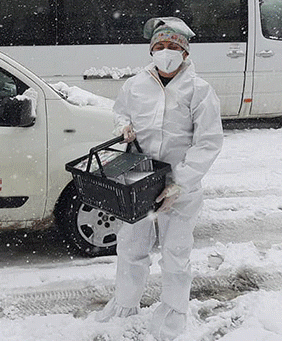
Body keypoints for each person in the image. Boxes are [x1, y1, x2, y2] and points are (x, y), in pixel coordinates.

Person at [95, 17, 223, 340]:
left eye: (174, 47)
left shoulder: (200, 91)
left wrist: (180, 182)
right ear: (152, 50)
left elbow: (208, 142)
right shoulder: (136, 84)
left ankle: (174, 312)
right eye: (160, 46)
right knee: (131, 245)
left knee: (176, 252)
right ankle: (125, 304)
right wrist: (122, 127)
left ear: (185, 52)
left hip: (180, 186)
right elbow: (121, 111)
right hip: (139, 180)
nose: (167, 52)